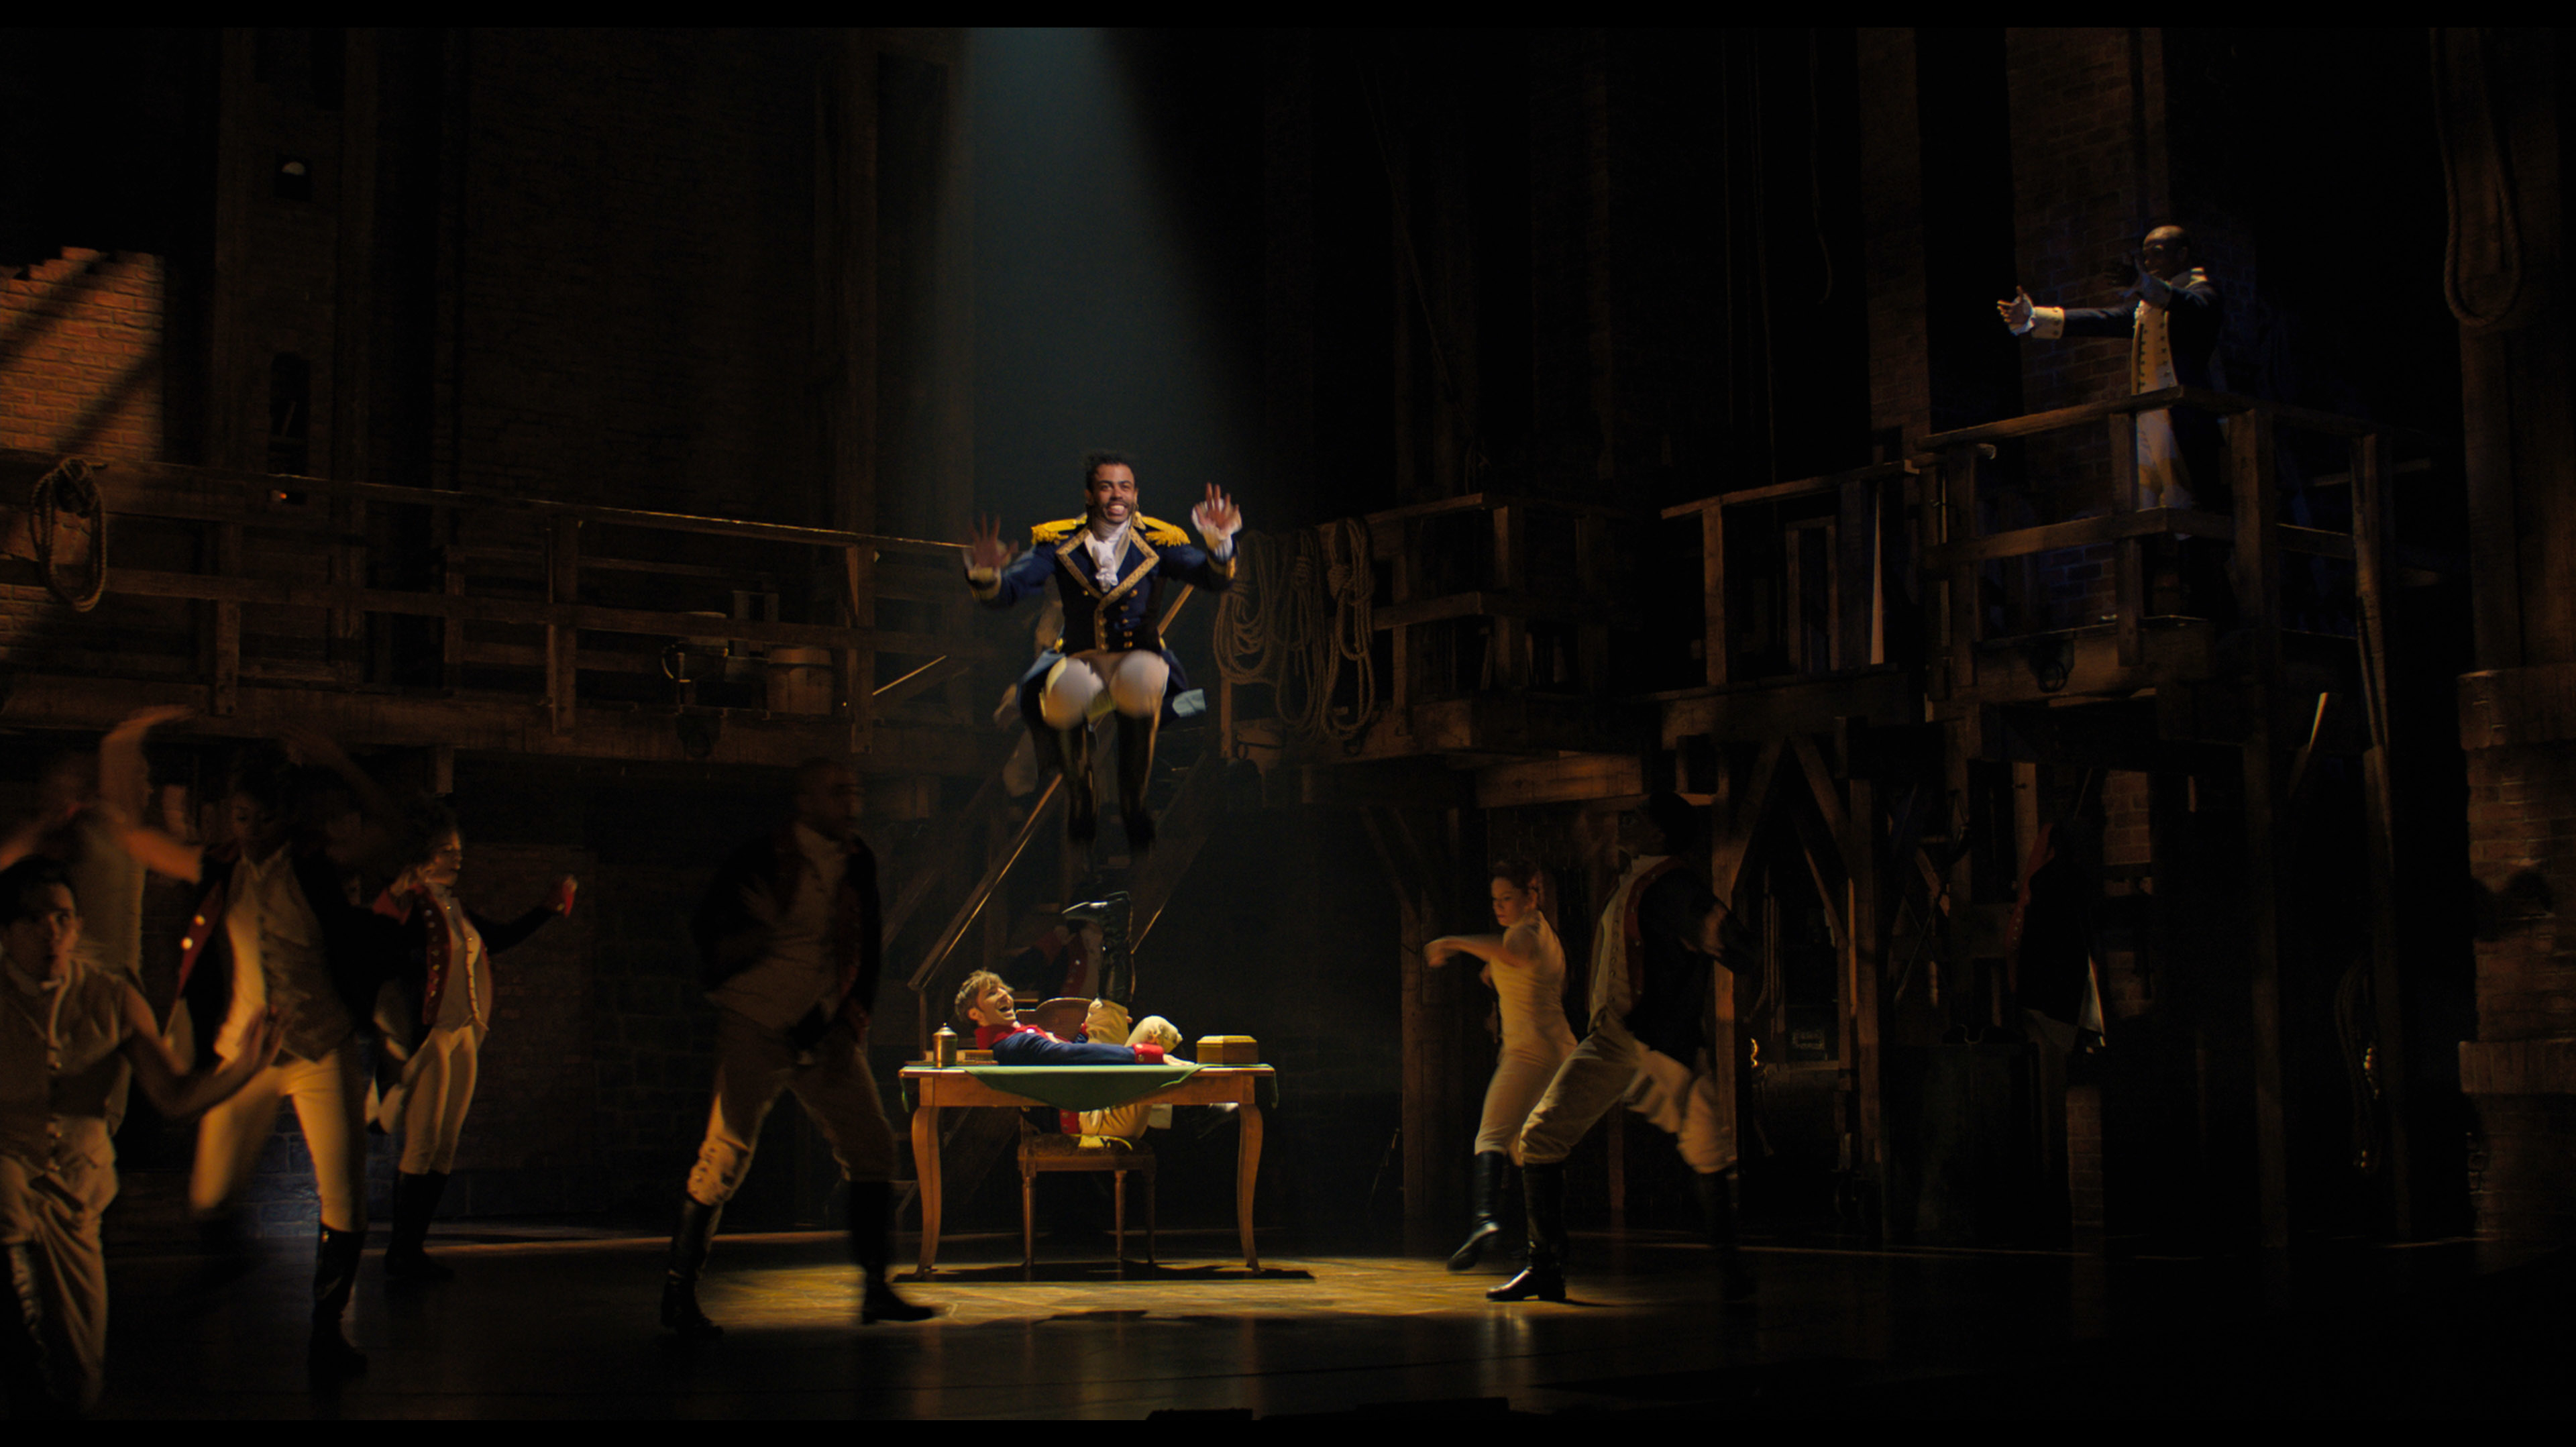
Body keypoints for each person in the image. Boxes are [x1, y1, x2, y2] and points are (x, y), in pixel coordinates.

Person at [102, 731, 397, 1379]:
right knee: (209, 1196)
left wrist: (341, 760)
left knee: (345, 1196)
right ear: (228, 814)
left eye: (265, 818)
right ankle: (226, 1268)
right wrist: (121, 750)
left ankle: (327, 1332)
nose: (254, 830)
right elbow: (138, 841)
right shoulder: (221, 865)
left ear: (286, 815)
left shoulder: (315, 862)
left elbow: (390, 829)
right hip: (244, 1050)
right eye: (242, 817)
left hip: (317, 1043)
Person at [0, 858, 285, 1415]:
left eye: (61, 917)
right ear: (6, 932)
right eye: (33, 919)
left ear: (78, 926)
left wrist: (244, 1068)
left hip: (74, 1187)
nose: (51, 931)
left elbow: (174, 1095)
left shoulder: (109, 996)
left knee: (81, 1378)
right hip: (8, 1171)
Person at [661, 759, 930, 1338]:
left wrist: (850, 1024)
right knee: (724, 1154)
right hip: (757, 1018)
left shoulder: (857, 861)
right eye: (838, 792)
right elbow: (709, 924)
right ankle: (679, 1291)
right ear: (806, 800)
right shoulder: (764, 856)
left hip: (822, 1025)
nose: (851, 803)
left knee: (871, 1144)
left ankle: (876, 1288)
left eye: (855, 791)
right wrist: (751, 937)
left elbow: (868, 950)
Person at [1493, 793, 1754, 1305]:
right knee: (1540, 1134)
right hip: (1613, 1037)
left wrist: (1707, 936)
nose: (1626, 822)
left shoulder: (1676, 886)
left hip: (1660, 1040)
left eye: (1637, 817)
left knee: (1707, 1147)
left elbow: (1739, 948)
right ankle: (1544, 1265)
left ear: (1658, 834)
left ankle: (1732, 1272)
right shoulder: (1636, 879)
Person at [962, 452, 1242, 849]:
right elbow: (1013, 589)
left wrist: (1220, 545)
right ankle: (1082, 794)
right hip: (1082, 656)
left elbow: (1212, 579)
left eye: (1125, 487)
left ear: (1136, 494)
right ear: (1090, 495)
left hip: (1139, 655)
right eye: (1107, 487)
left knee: (1142, 678)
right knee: (1063, 691)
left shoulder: (1159, 539)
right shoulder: (1059, 540)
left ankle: (1134, 801)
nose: (1117, 495)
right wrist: (989, 575)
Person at [367, 797, 576, 1282]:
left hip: (464, 1032)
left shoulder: (453, 906)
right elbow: (384, 943)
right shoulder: (410, 903)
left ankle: (414, 1249)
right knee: (423, 1142)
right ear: (424, 854)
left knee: (445, 1145)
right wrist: (398, 891)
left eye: (459, 850)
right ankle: (401, 1252)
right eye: (446, 850)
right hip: (433, 1032)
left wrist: (546, 908)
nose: (457, 858)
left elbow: (497, 939)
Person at [1998, 224, 2227, 512]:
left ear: (2182, 255)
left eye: (2157, 254)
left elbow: (2188, 305)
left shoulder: (2203, 294)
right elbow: (2104, 319)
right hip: (2148, 414)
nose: (2149, 263)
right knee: (2148, 498)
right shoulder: (2149, 306)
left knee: (2185, 497)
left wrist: (2144, 284)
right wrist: (2034, 317)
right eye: (2146, 256)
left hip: (2184, 417)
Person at [1425, 859, 1575, 1272]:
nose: (1499, 907)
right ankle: (1548, 1239)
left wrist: (1452, 942)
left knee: (1491, 1134)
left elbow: (1512, 952)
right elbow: (1515, 965)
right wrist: (1494, 974)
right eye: (1495, 900)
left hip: (1532, 1053)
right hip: (1550, 1048)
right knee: (1526, 1146)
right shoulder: (1537, 934)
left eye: (1507, 898)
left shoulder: (1527, 932)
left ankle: (1484, 1222)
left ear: (1531, 897)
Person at [953, 971, 1175, 1066]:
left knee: (1105, 1011)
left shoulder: (1017, 1036)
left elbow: (1069, 1053)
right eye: (992, 993)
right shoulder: (1012, 1044)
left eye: (1003, 989)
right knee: (1155, 1028)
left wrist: (1090, 1028)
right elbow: (1067, 1056)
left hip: (1090, 1087)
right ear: (975, 1014)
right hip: (1089, 1108)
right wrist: (1140, 1054)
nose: (1004, 995)